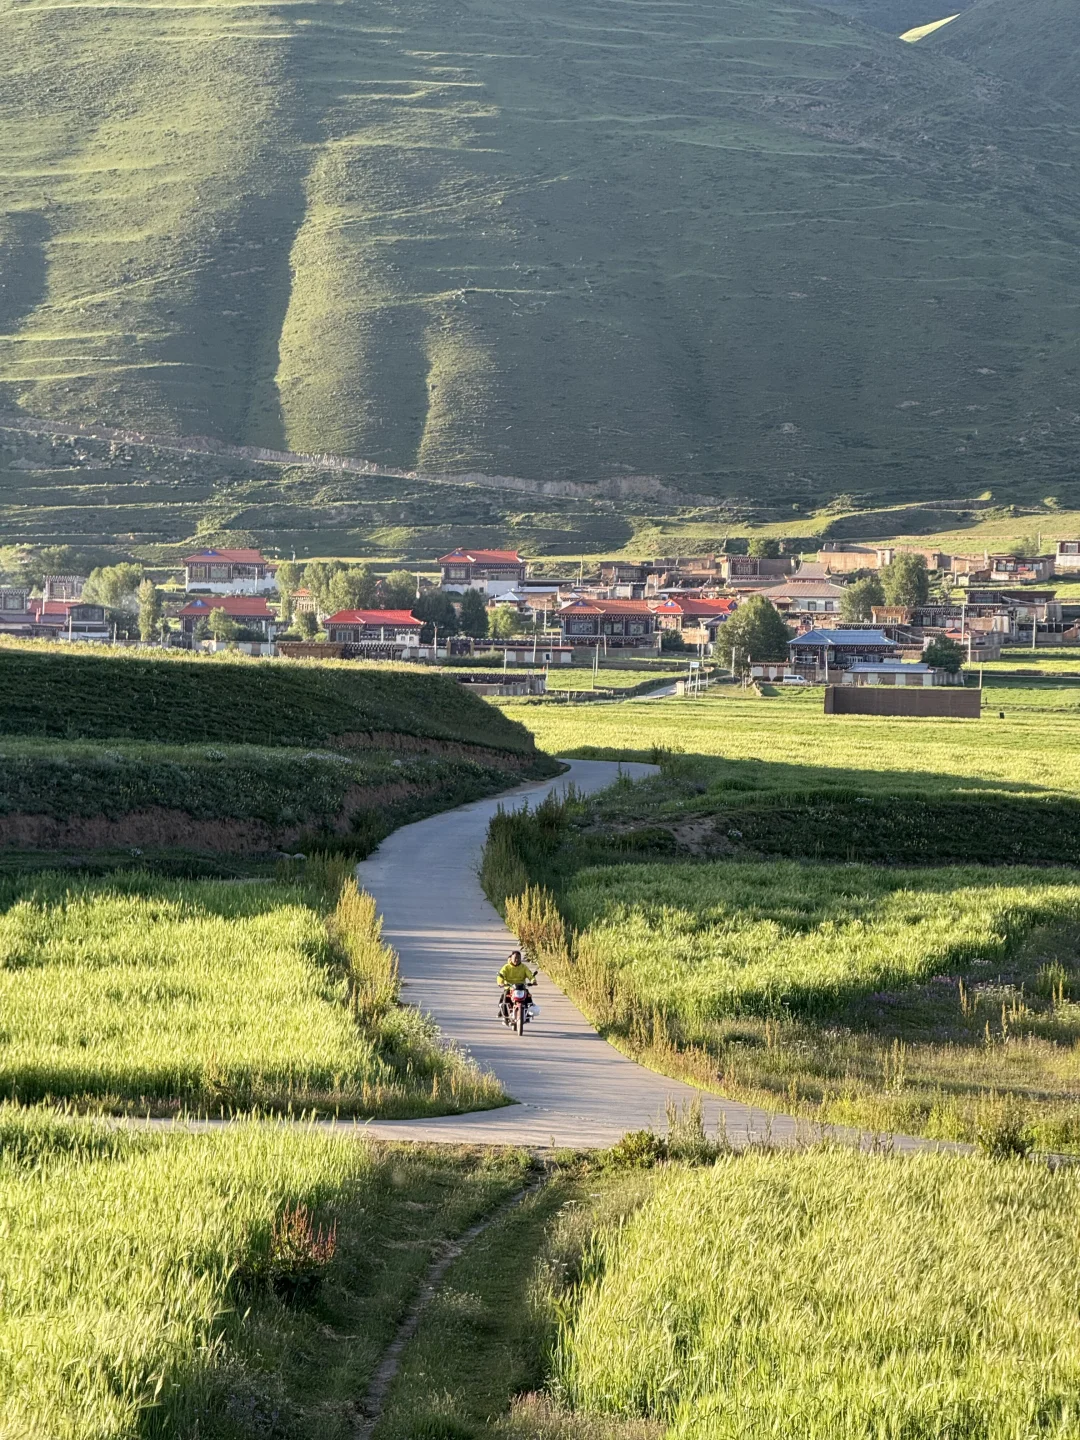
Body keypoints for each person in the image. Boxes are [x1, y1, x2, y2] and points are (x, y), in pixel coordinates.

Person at [497, 949, 537, 1020]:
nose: (516, 960)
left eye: (518, 958)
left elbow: (530, 974)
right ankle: (503, 1012)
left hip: (521, 987)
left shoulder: (523, 967)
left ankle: (528, 1013)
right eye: (515, 958)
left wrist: (533, 981)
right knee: (504, 997)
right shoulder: (506, 967)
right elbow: (501, 975)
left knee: (528, 997)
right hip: (510, 987)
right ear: (511, 958)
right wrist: (501, 982)